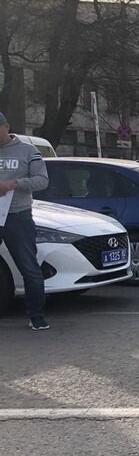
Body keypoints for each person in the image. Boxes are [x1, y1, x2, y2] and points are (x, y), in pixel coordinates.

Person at [0, 112, 50, 330]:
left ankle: (36, 315)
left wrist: (15, 183)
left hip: (17, 216)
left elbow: (42, 180)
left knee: (29, 268)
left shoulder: (28, 151)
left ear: (6, 126)